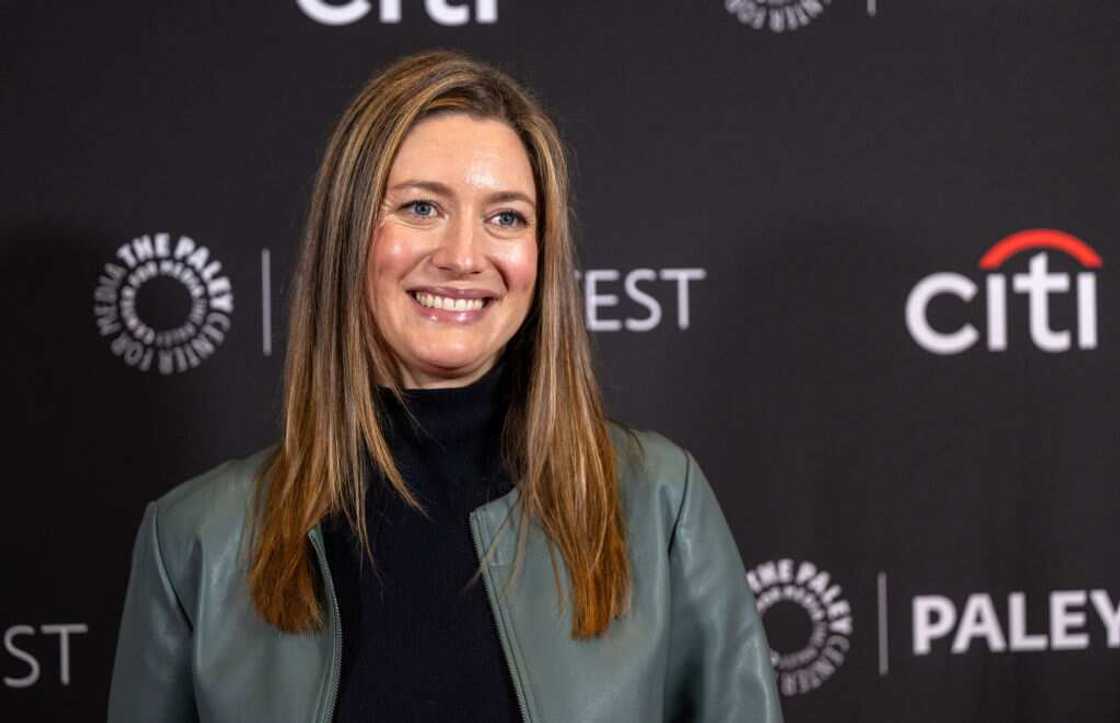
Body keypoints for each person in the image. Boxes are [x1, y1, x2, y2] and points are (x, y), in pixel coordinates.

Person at [107, 50, 783, 723]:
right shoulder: (198, 539)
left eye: (507, 217)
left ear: (541, 256)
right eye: (422, 207)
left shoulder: (658, 502)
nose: (463, 256)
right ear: (347, 234)